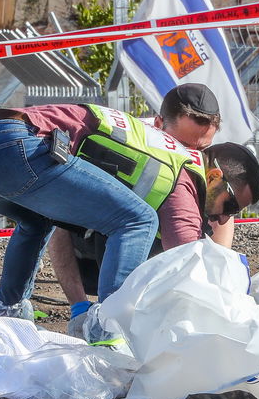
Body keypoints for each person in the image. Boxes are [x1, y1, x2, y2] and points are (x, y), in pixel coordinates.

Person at [0, 100, 259, 343]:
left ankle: (6, 316)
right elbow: (186, 262)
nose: (224, 218)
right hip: (15, 148)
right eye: (231, 205)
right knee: (138, 221)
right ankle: (109, 331)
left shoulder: (160, 144)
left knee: (36, 222)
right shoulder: (186, 175)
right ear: (214, 176)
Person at [46, 83, 236, 327]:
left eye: (201, 149)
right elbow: (58, 216)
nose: (190, 156)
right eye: (183, 145)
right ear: (158, 125)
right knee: (59, 212)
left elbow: (223, 220)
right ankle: (92, 310)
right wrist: (79, 307)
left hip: (149, 249)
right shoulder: (121, 141)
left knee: (219, 200)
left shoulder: (204, 162)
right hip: (91, 253)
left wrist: (220, 287)